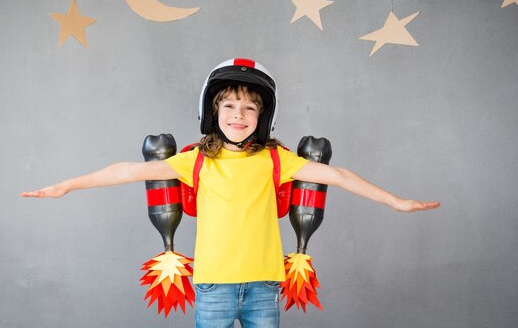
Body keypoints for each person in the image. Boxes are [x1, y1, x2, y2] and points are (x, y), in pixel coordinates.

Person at [22, 58, 440, 328]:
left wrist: (394, 201)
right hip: (214, 287)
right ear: (213, 113)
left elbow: (341, 176)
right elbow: (128, 170)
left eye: (249, 108)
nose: (238, 115)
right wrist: (67, 186)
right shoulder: (195, 161)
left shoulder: (277, 160)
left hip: (264, 286)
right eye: (229, 106)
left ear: (262, 118)